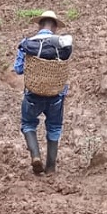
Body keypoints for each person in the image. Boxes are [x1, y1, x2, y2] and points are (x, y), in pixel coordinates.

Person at [13, 10, 73, 175]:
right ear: (54, 27)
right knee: (54, 127)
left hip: (33, 94)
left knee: (28, 124)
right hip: (56, 95)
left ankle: (36, 156)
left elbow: (18, 69)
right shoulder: (62, 45)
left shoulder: (27, 43)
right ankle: (51, 167)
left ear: (40, 25)